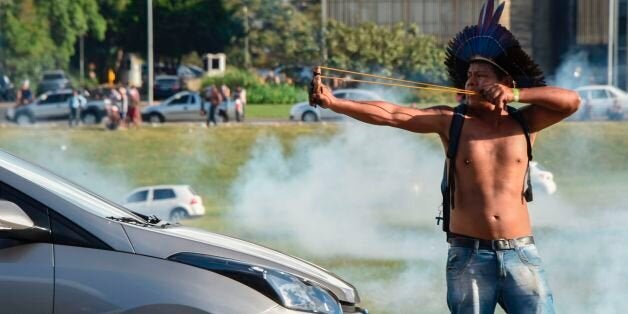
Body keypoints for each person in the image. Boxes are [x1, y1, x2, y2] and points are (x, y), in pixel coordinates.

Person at [309, 1, 580, 313]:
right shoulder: (452, 121)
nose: (471, 83)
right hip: (468, 256)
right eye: (468, 76)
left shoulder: (524, 123)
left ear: (504, 84)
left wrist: (516, 96)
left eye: (480, 76)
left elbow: (571, 101)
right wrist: (333, 103)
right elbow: (394, 114)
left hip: (520, 252)